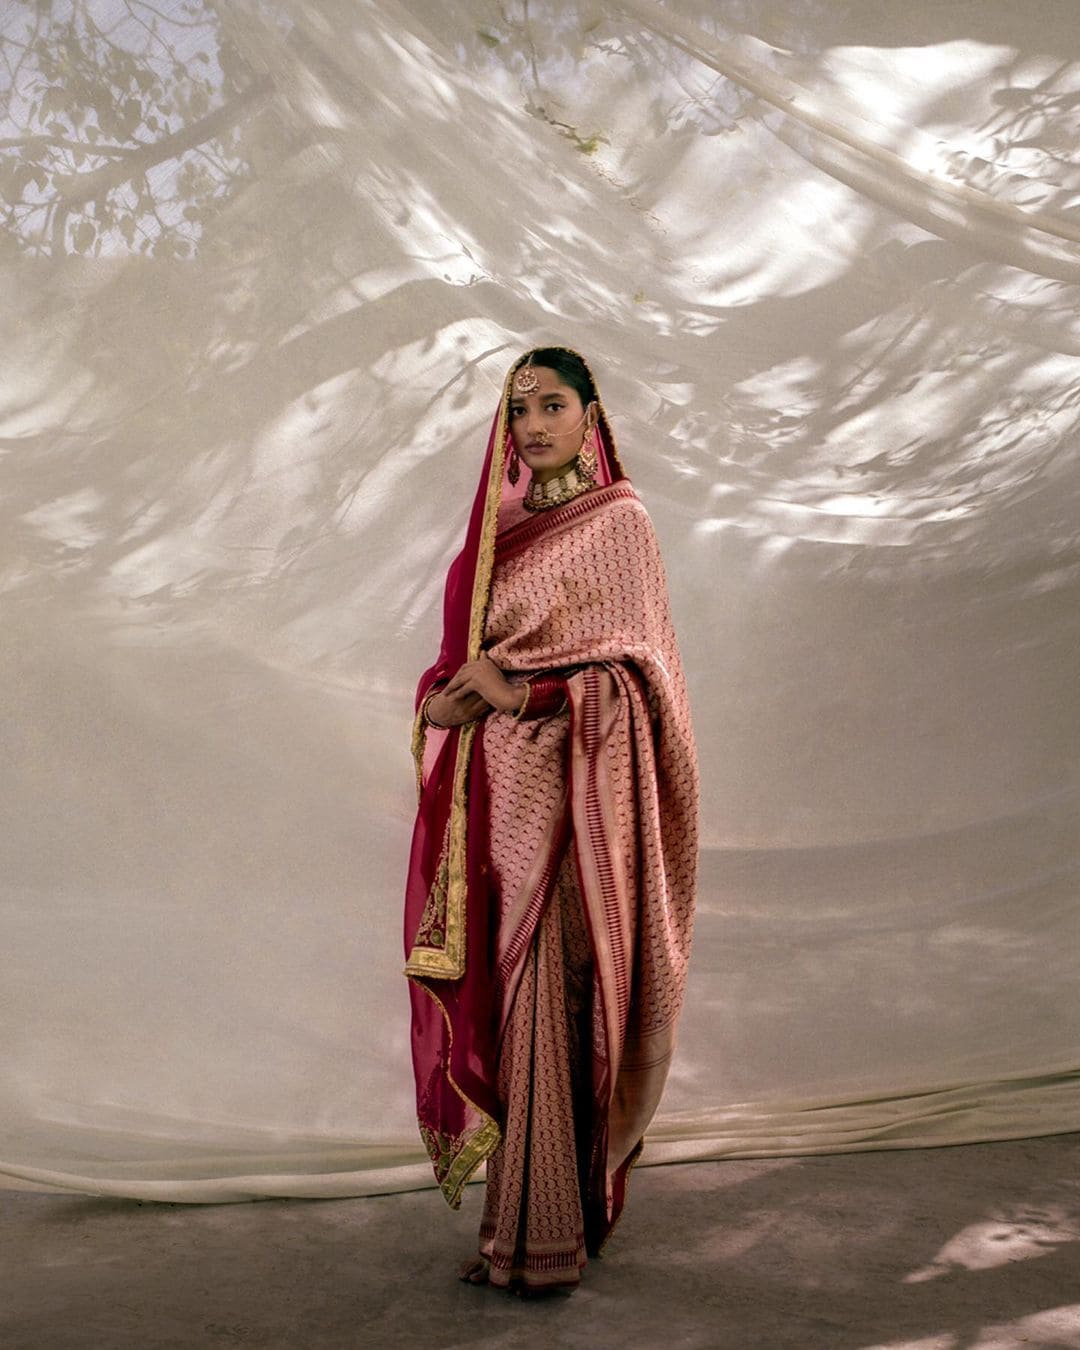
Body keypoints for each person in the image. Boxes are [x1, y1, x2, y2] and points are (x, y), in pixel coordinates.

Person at [403, 345, 699, 1295]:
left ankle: (546, 1239)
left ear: (591, 414)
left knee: (550, 1005)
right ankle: (521, 1226)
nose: (533, 426)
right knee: (510, 995)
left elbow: (634, 677)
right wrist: (447, 700)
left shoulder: (621, 522)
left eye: (553, 405)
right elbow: (466, 660)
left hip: (580, 805)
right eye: (519, 409)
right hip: (498, 797)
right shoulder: (497, 526)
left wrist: (520, 696)